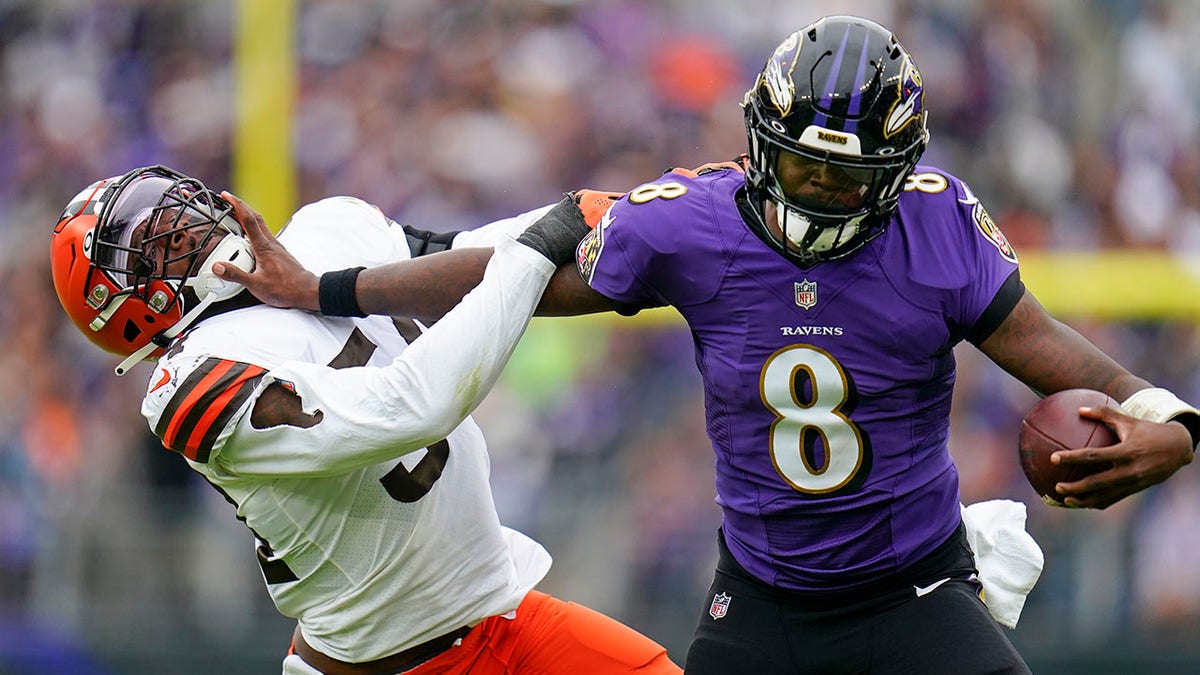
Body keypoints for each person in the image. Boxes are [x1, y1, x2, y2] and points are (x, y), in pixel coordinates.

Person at [213, 15, 1200, 674]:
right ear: (759, 144)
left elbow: (1055, 353)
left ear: (897, 175)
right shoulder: (694, 220)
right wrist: (323, 287)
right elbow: (511, 275)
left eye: (843, 181)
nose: (816, 193)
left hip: (915, 589)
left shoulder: (936, 225)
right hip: (763, 598)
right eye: (802, 169)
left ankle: (983, 555)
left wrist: (1170, 422)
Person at [49, 165, 682, 674]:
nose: (178, 225)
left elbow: (458, 259)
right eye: (144, 243)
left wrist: (631, 216)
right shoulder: (189, 385)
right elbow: (416, 406)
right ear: (123, 305)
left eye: (168, 208)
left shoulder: (327, 229)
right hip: (387, 663)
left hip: (503, 614)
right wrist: (547, 240)